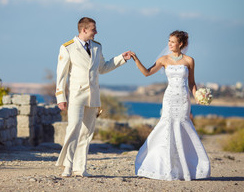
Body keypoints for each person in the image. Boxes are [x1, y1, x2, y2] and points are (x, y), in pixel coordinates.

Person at [55, 17, 131, 177]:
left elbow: (102, 68)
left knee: (87, 133)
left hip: (93, 95)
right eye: (93, 29)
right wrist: (60, 96)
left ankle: (80, 168)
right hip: (76, 94)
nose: (96, 32)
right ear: (84, 30)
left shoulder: (97, 47)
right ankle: (67, 166)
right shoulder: (67, 48)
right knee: (73, 129)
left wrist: (121, 58)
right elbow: (61, 75)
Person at [130, 30, 210, 181]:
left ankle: (188, 168)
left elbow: (192, 83)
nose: (169, 44)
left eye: (173, 42)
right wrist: (135, 59)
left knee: (183, 127)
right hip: (169, 98)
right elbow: (147, 73)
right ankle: (161, 167)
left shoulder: (189, 60)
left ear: (181, 44)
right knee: (166, 127)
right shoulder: (163, 60)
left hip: (183, 99)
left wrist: (198, 96)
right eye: (169, 41)